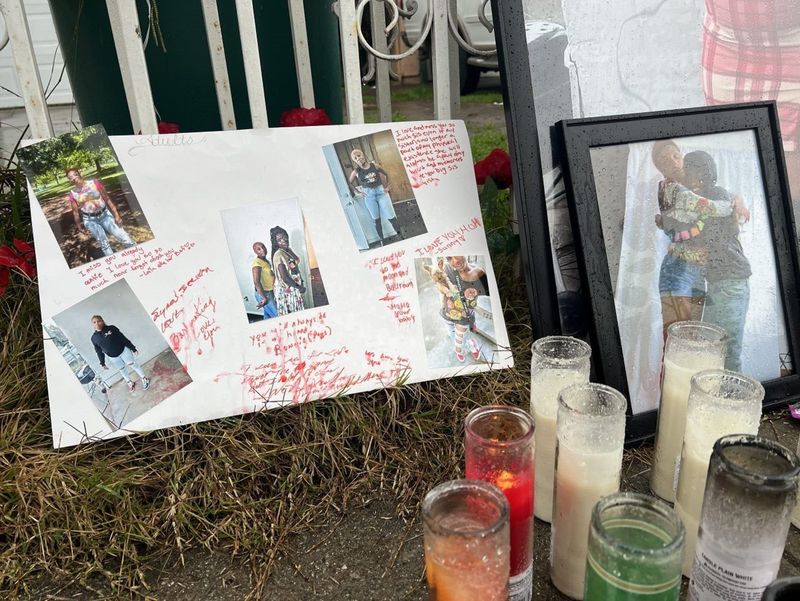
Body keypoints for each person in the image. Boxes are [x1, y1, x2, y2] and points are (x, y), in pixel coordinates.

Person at [651, 140, 747, 340]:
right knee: (676, 340)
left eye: (676, 156)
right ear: (658, 167)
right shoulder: (671, 188)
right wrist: (733, 204)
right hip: (677, 271)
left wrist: (738, 199)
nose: (673, 163)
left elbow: (727, 194)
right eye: (664, 159)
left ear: (683, 157)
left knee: (692, 340)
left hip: (698, 273)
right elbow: (712, 207)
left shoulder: (698, 185)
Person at [683, 150, 752, 371]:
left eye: (695, 170)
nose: (691, 177)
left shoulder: (717, 195)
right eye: (688, 170)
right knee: (715, 352)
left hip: (730, 280)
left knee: (726, 353)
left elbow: (715, 211)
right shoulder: (703, 200)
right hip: (718, 283)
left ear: (707, 172)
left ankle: (733, 402)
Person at [424, 255, 489, 363]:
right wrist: (440, 283)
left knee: (466, 335)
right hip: (448, 313)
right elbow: (438, 279)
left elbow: (483, 297)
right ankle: (460, 349)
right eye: (449, 258)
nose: (455, 261)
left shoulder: (479, 273)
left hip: (464, 315)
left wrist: (472, 294)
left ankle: (469, 347)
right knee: (453, 335)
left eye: (456, 255)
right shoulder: (446, 268)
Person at [65, 168, 136, 257]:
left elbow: (107, 198)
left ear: (80, 173)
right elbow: (75, 212)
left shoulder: (94, 183)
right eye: (70, 177)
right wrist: (79, 226)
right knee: (104, 244)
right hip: (90, 220)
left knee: (123, 237)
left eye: (75, 174)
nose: (74, 178)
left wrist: (116, 215)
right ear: (70, 180)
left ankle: (136, 254)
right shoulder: (73, 193)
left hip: (105, 215)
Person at [347, 148, 405, 246]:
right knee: (376, 220)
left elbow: (386, 174)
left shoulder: (375, 166)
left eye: (359, 155)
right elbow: (349, 183)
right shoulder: (356, 171)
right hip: (369, 196)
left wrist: (387, 186)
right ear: (354, 161)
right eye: (355, 158)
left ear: (363, 155)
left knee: (391, 217)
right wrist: (357, 192)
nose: (358, 158)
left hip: (381, 193)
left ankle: (401, 236)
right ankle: (382, 240)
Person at [90, 315, 150, 392]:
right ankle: (130, 382)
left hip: (123, 351)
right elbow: (98, 351)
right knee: (122, 370)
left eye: (99, 321)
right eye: (94, 322)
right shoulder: (94, 338)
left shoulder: (111, 328)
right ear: (92, 324)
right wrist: (102, 363)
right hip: (113, 357)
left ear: (102, 321)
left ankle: (144, 378)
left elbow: (122, 338)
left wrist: (133, 348)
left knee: (133, 365)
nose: (97, 323)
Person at [270, 226, 306, 315]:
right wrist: (300, 287)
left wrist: (300, 280)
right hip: (287, 289)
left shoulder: (287, 250)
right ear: (276, 243)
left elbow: (296, 260)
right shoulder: (278, 255)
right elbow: (285, 278)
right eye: (279, 240)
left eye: (284, 237)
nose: (284, 240)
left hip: (294, 285)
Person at [251, 242, 278, 319]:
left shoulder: (265, 261)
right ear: (255, 252)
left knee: (268, 316)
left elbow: (268, 274)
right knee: (277, 315)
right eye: (258, 249)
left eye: (263, 247)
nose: (262, 250)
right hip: (264, 294)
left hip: (269, 291)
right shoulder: (257, 263)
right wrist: (264, 298)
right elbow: (256, 282)